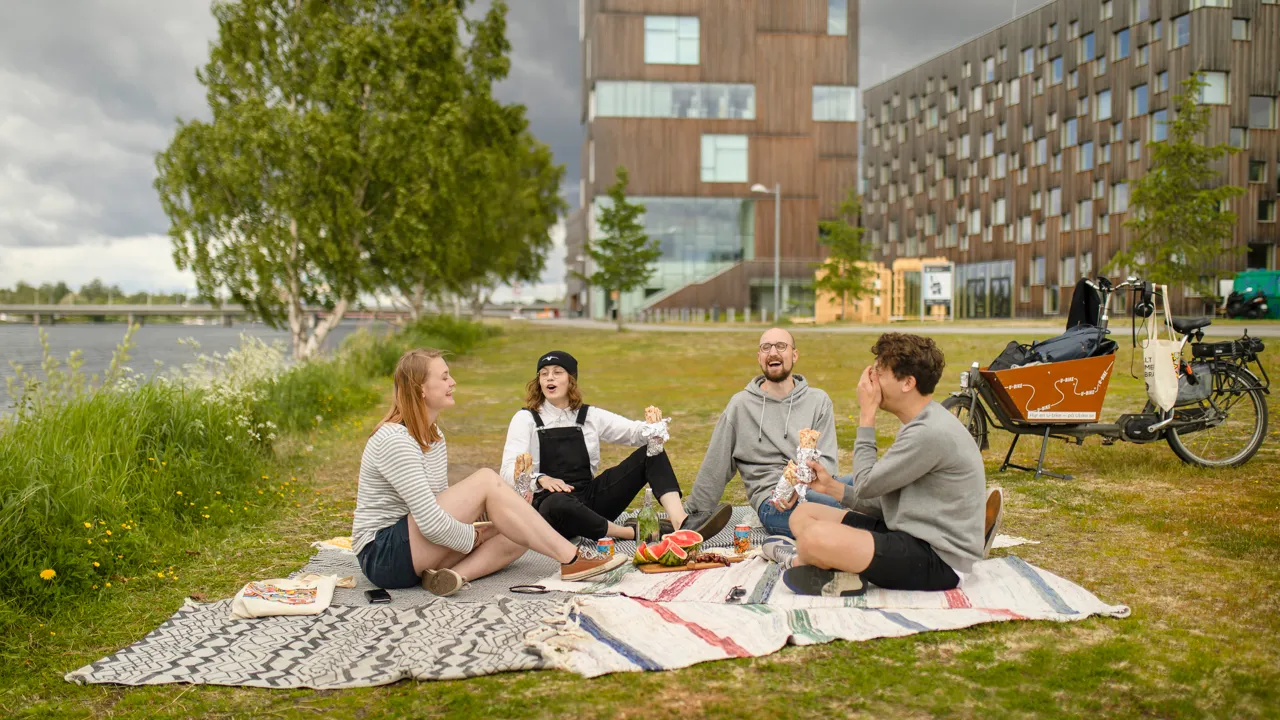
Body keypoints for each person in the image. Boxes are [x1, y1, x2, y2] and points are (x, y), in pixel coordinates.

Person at [352, 349, 626, 597]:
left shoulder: (433, 434)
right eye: (444, 377)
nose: (452, 382)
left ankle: (450, 577)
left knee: (518, 531)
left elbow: (438, 501)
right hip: (383, 555)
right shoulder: (395, 439)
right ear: (420, 388)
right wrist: (475, 536)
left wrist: (493, 518)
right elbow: (431, 522)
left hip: (413, 550)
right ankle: (573, 560)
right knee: (486, 480)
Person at [767, 333, 1001, 597]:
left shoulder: (929, 432)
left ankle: (806, 560)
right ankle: (842, 571)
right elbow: (890, 504)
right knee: (803, 515)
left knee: (813, 539)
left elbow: (866, 485)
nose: (871, 382)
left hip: (938, 559)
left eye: (878, 374)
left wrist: (867, 414)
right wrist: (832, 487)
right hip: (907, 534)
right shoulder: (921, 423)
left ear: (908, 383)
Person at [500, 350, 732, 543]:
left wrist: (652, 428)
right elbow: (507, 470)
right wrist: (540, 479)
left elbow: (631, 432)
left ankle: (681, 523)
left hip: (590, 500)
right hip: (552, 510)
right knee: (556, 502)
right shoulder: (526, 419)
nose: (549, 378)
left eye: (557, 372)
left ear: (571, 380)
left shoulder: (588, 415)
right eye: (544, 374)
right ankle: (632, 533)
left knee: (651, 452)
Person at [682, 328, 844, 539]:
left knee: (867, 493)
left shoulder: (818, 401)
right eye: (766, 347)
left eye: (781, 346)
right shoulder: (740, 405)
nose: (773, 352)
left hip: (816, 490)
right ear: (759, 357)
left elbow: (828, 464)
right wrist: (691, 514)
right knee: (847, 518)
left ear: (794, 355)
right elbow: (715, 464)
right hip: (775, 502)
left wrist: (801, 488)